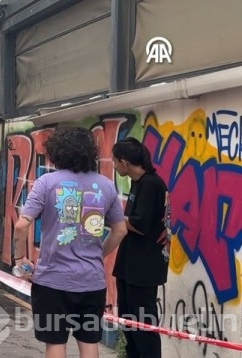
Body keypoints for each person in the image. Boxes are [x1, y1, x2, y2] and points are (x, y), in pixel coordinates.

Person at [13, 127, 127, 358]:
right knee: (89, 341)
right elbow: (120, 230)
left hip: (52, 281)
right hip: (92, 280)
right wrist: (99, 254)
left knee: (55, 343)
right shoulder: (106, 185)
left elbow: (21, 225)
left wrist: (19, 258)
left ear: (57, 153)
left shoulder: (46, 182)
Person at [112, 137, 169, 358]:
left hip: (144, 266)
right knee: (127, 318)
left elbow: (140, 224)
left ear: (125, 162)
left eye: (116, 162)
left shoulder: (151, 184)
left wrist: (114, 219)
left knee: (143, 323)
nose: (115, 167)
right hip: (130, 262)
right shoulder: (138, 182)